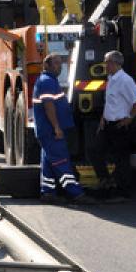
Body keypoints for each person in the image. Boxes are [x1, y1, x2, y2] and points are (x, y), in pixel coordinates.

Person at [33, 54, 95, 204]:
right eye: (56, 63)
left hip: (48, 131)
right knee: (61, 161)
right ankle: (76, 193)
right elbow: (49, 107)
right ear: (46, 65)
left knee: (48, 161)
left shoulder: (49, 80)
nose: (59, 66)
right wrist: (56, 127)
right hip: (51, 131)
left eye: (61, 63)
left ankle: (47, 192)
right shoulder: (47, 81)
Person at [87, 50, 136, 202]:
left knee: (121, 159)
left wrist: (129, 118)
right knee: (94, 150)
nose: (105, 65)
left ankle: (122, 192)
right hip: (107, 124)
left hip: (119, 125)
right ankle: (105, 180)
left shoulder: (125, 80)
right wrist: (102, 119)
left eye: (106, 62)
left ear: (114, 63)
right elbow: (111, 102)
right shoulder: (111, 78)